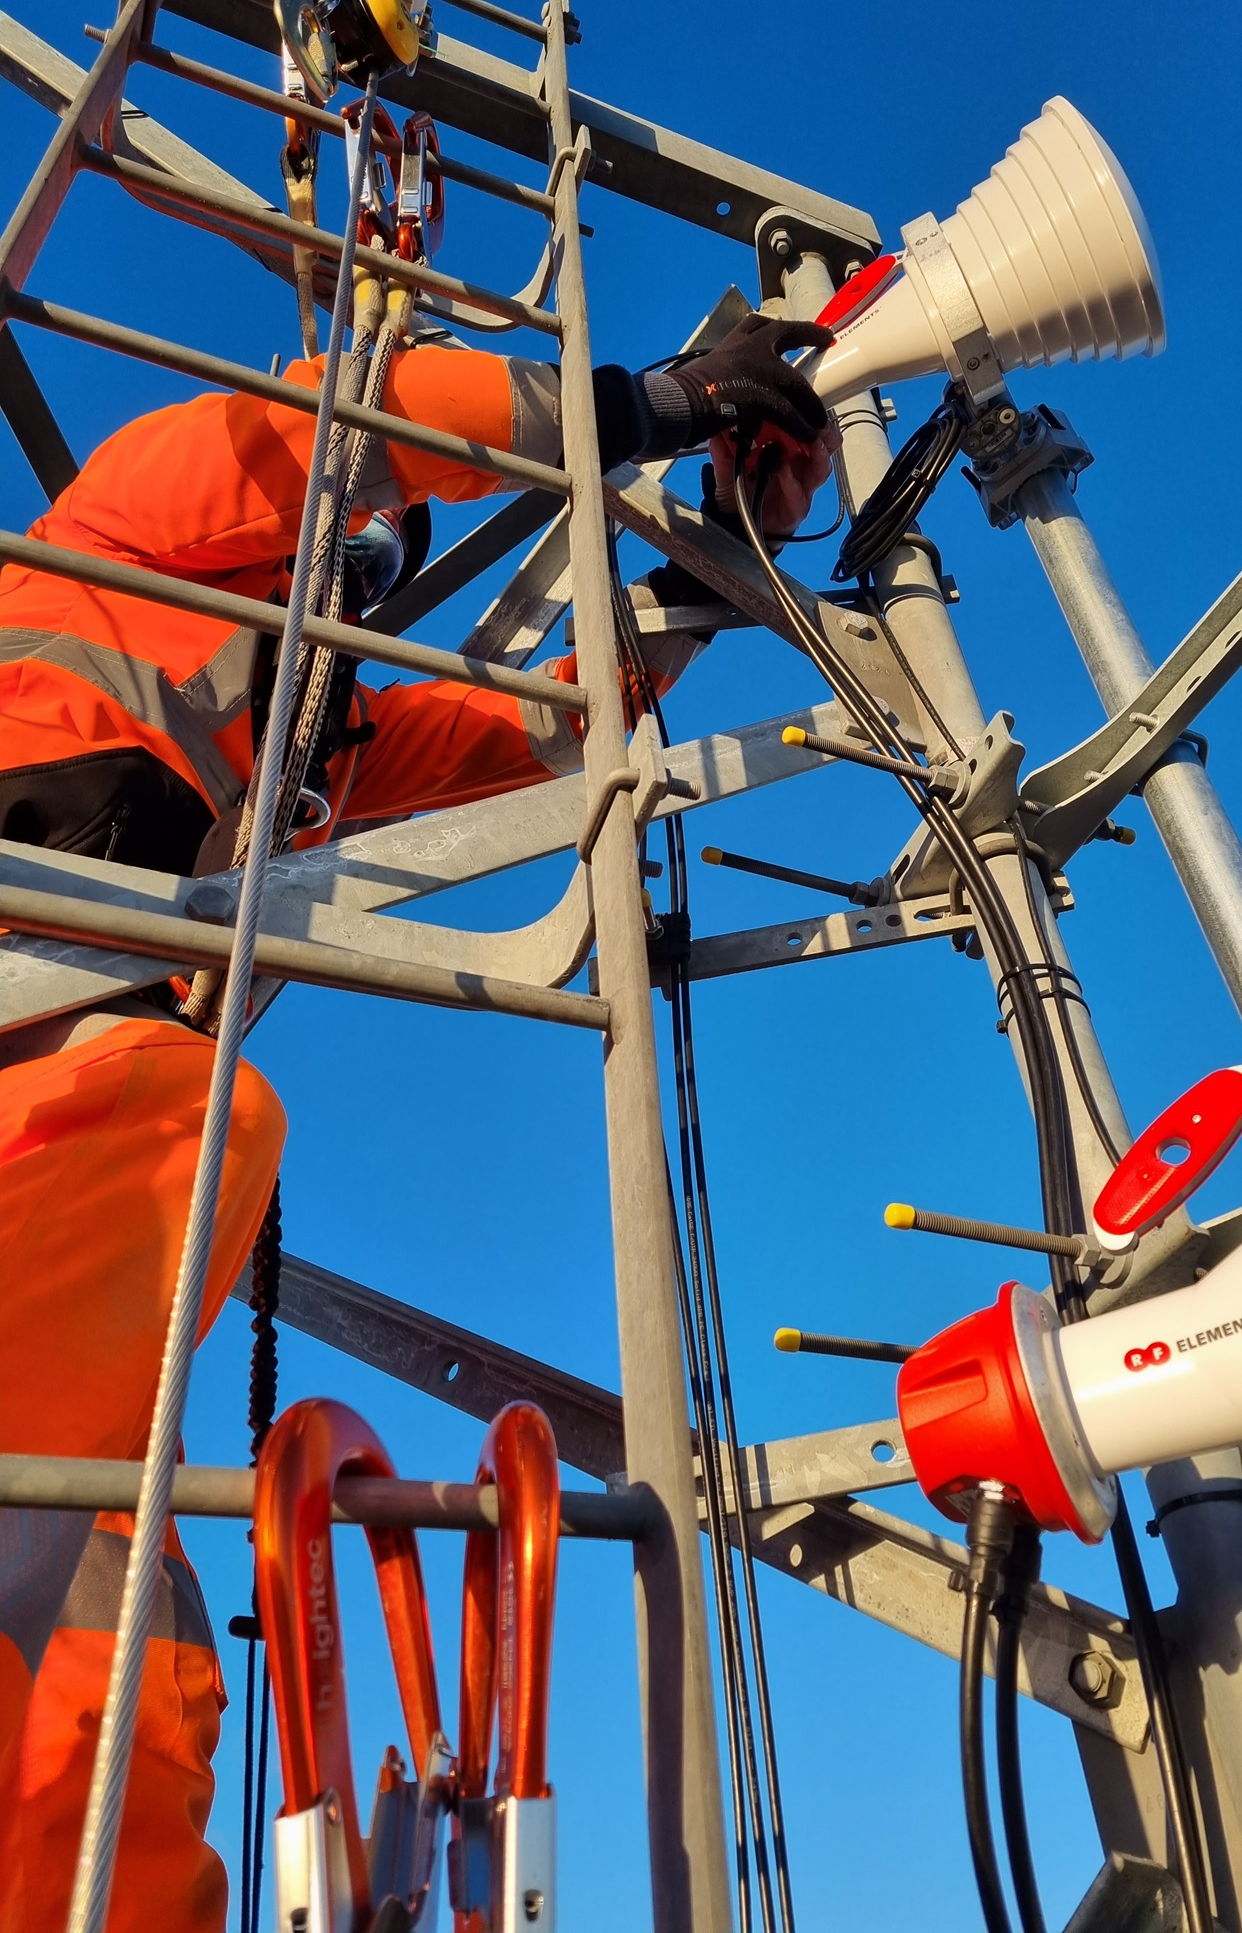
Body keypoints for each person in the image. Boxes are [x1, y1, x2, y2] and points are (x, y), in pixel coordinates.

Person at [0, 312, 836, 1932]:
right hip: (44, 1002)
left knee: (117, 1618)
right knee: (166, 1133)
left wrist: (717, 567)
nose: (357, 589)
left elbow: (545, 734)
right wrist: (660, 402)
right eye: (356, 551)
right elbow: (356, 415)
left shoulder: (314, 747)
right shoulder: (121, 531)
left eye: (376, 575)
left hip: (99, 1073)